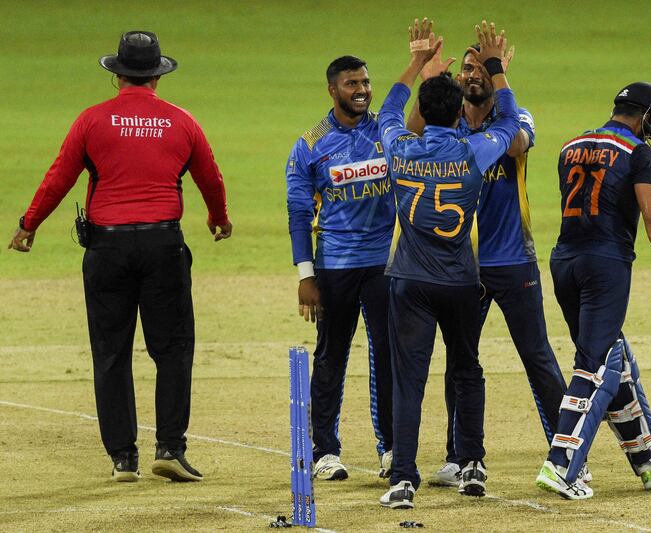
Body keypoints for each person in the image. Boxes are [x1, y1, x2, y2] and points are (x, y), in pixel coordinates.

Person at [8, 31, 233, 482]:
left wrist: (28, 224)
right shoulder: (181, 120)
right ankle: (170, 447)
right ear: (157, 76)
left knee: (110, 351)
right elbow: (211, 176)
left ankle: (122, 459)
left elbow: (59, 178)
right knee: (171, 349)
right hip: (162, 246)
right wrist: (218, 218)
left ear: (116, 76)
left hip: (106, 248)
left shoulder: (92, 120)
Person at [410, 44, 577, 488]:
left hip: (514, 262)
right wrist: (429, 77)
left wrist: (499, 72)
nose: (473, 75)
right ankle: (458, 456)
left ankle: (567, 454)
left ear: (498, 74)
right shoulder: (448, 124)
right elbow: (411, 131)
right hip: (463, 266)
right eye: (467, 69)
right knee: (461, 362)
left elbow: (519, 142)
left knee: (538, 358)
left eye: (483, 69)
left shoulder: (515, 118)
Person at [377, 18, 520, 509]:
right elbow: (509, 121)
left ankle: (402, 479)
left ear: (422, 109)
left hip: (409, 281)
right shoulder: (474, 151)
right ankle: (472, 465)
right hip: (460, 280)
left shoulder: (400, 148)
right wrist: (496, 67)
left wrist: (417, 62)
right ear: (459, 109)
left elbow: (389, 109)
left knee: (409, 379)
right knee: (467, 369)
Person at [535, 82, 651, 499]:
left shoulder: (571, 146)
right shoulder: (639, 154)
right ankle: (562, 464)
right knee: (596, 363)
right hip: (606, 264)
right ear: (646, 116)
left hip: (563, 261)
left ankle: (649, 461)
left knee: (612, 355)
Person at [285, 55, 395, 481]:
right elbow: (297, 214)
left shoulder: (386, 131)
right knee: (331, 356)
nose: (362, 90)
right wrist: (305, 275)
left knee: (388, 355)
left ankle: (390, 448)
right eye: (352, 83)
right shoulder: (311, 143)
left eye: (366, 81)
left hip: (385, 265)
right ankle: (325, 451)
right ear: (332, 89)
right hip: (334, 266)